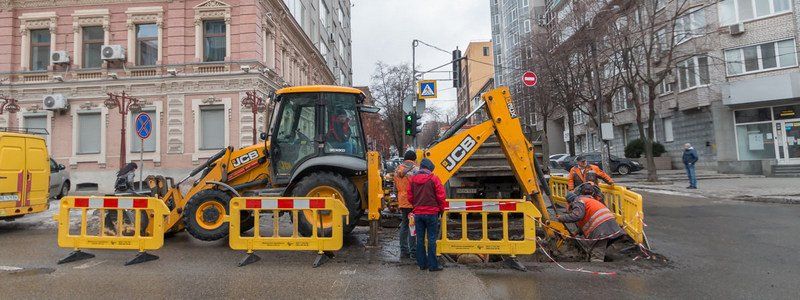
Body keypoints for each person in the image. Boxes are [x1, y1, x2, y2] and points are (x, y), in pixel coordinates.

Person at [555, 192, 623, 262]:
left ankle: (596, 268)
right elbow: (588, 219)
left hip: (601, 227)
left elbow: (577, 216)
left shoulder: (578, 201)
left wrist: (561, 218)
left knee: (597, 251)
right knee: (595, 248)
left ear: (569, 202)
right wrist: (577, 232)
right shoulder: (586, 200)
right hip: (609, 225)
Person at [407, 158, 446, 272]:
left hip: (418, 214)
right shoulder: (434, 179)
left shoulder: (413, 179)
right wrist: (441, 210)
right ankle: (433, 266)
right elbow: (441, 197)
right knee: (432, 239)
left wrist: (416, 205)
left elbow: (410, 197)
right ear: (429, 168)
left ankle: (422, 264)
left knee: (419, 239)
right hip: (432, 213)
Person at [394, 150, 419, 259]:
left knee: (404, 224)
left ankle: (404, 250)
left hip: (402, 200)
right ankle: (413, 251)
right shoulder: (416, 169)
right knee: (412, 225)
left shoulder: (397, 169)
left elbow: (395, 187)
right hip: (413, 200)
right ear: (414, 159)